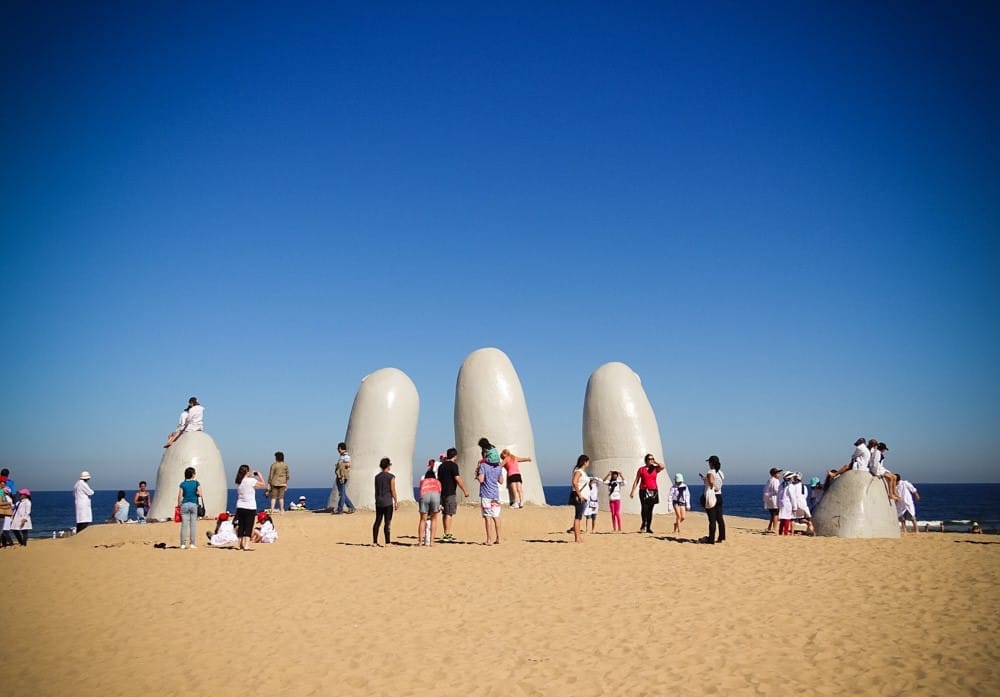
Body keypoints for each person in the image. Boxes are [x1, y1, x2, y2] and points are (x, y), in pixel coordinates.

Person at [475, 438, 505, 545]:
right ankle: (499, 538)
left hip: (486, 495)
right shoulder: (498, 467)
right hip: (495, 495)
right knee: (496, 517)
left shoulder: (483, 466)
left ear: (484, 455)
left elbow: (481, 479)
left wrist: (477, 474)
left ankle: (489, 540)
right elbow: (501, 481)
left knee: (487, 518)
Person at [437, 448, 470, 542]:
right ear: (455, 456)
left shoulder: (441, 466)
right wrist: (465, 490)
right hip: (450, 492)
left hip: (442, 492)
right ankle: (447, 534)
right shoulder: (454, 466)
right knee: (449, 513)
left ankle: (445, 532)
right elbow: (457, 479)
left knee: (444, 513)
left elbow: (439, 479)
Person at [630, 454, 666, 534]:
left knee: (650, 510)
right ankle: (644, 523)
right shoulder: (641, 469)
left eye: (652, 459)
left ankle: (648, 527)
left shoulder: (655, 469)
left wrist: (655, 461)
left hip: (653, 491)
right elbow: (636, 480)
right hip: (643, 490)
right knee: (644, 508)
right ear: (646, 460)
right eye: (649, 459)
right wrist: (632, 491)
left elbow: (662, 466)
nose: (651, 460)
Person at [234, 464, 266, 551]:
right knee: (249, 526)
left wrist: (250, 475)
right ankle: (246, 545)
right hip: (250, 507)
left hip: (240, 506)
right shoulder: (251, 480)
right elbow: (263, 484)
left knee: (241, 526)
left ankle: (239, 544)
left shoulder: (239, 482)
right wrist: (259, 475)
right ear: (247, 472)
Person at [699, 455, 726, 543]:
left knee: (712, 519)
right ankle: (721, 537)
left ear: (711, 463)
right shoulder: (721, 473)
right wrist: (705, 480)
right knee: (720, 518)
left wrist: (713, 487)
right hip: (719, 496)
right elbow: (715, 481)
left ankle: (711, 539)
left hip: (712, 496)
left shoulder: (710, 472)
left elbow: (711, 482)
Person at [372, 457, 398, 546]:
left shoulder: (377, 477)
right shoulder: (391, 477)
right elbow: (393, 490)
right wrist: (396, 501)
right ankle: (387, 542)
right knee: (387, 522)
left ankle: (375, 542)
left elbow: (376, 490)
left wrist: (376, 499)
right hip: (388, 502)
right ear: (388, 466)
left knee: (377, 521)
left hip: (379, 501)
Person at [177, 467, 202, 549]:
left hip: (184, 505)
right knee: (193, 525)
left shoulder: (182, 484)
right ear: (192, 474)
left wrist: (178, 505)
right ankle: (192, 544)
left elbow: (180, 495)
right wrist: (196, 493)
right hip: (193, 504)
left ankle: (182, 544)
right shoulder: (196, 483)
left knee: (184, 525)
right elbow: (200, 494)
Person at [418, 469, 442, 546]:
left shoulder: (423, 482)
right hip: (435, 495)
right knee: (434, 519)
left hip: (424, 495)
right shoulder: (437, 482)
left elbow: (420, 491)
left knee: (422, 519)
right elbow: (440, 491)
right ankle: (432, 542)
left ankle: (420, 542)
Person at [570, 455, 591, 543]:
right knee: (578, 517)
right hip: (580, 497)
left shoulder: (582, 472)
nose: (588, 463)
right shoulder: (579, 471)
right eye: (588, 461)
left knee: (579, 517)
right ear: (584, 462)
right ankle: (577, 537)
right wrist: (580, 495)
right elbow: (574, 482)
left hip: (583, 497)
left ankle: (578, 537)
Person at [334, 442, 356, 515]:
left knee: (342, 493)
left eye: (338, 448)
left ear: (340, 448)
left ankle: (340, 509)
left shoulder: (346, 456)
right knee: (342, 493)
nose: (337, 450)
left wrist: (340, 465)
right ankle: (351, 507)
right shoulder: (342, 456)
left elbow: (348, 464)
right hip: (340, 476)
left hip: (343, 476)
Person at [762, 468, 783, 533]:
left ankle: (769, 527)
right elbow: (777, 490)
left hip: (769, 499)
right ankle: (774, 528)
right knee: (776, 514)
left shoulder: (769, 480)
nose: (779, 474)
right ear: (774, 474)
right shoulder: (775, 481)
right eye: (778, 473)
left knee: (772, 514)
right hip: (774, 499)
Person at [777, 471, 796, 535]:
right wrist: (794, 507)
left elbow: (778, 496)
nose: (793, 478)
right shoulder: (790, 486)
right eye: (792, 477)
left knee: (782, 518)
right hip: (788, 504)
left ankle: (780, 532)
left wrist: (778, 504)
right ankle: (785, 533)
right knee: (787, 518)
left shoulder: (781, 485)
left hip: (781, 503)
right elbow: (792, 497)